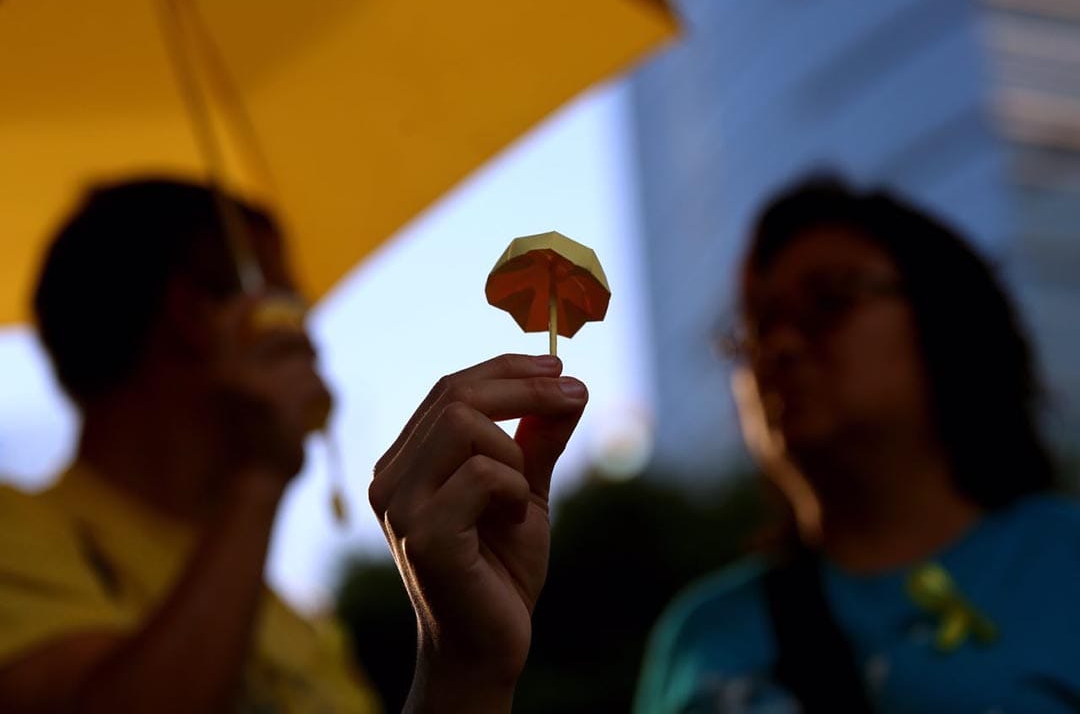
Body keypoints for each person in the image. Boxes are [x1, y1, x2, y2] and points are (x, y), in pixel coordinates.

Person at [0, 177, 590, 714]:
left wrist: (467, 665)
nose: (309, 340)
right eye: (288, 304)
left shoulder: (287, 620)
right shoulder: (19, 533)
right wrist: (259, 472)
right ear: (192, 316)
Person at [632, 177, 1080, 713]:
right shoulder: (701, 637)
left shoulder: (1064, 565)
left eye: (831, 301)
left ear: (948, 323)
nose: (780, 346)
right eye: (756, 326)